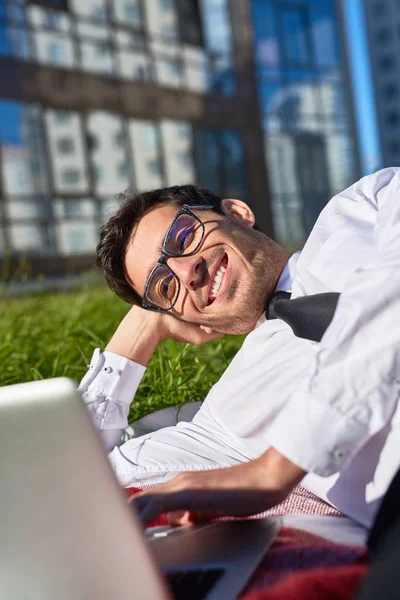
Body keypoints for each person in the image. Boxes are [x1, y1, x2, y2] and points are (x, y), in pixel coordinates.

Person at [79, 168, 400, 529]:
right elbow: (78, 479)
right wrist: (140, 330)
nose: (187, 272)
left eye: (184, 238)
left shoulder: (365, 205)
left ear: (237, 213)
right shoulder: (228, 413)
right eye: (165, 287)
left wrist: (277, 467)